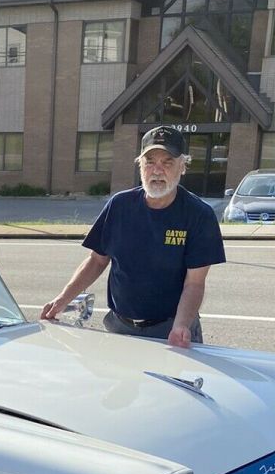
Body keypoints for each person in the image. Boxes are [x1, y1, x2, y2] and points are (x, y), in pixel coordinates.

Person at [40, 125, 226, 346]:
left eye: (167, 163)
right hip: (120, 327)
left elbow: (194, 283)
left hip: (171, 328)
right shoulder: (119, 205)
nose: (157, 171)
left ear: (183, 167)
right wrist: (62, 299)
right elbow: (97, 260)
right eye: (150, 163)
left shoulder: (198, 215)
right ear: (140, 166)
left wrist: (181, 325)